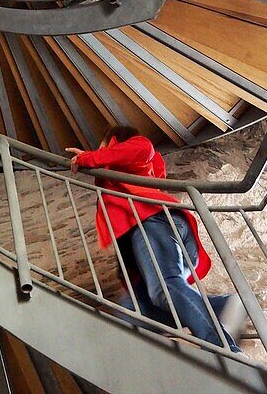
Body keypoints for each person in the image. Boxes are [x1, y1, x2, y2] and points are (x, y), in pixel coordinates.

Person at [66, 125, 246, 352]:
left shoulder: (136, 157)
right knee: (131, 312)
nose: (98, 153)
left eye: (103, 148)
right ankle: (224, 306)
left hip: (154, 223)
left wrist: (90, 158)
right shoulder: (125, 180)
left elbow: (142, 147)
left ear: (114, 142)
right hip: (157, 231)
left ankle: (224, 349)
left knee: (164, 288)